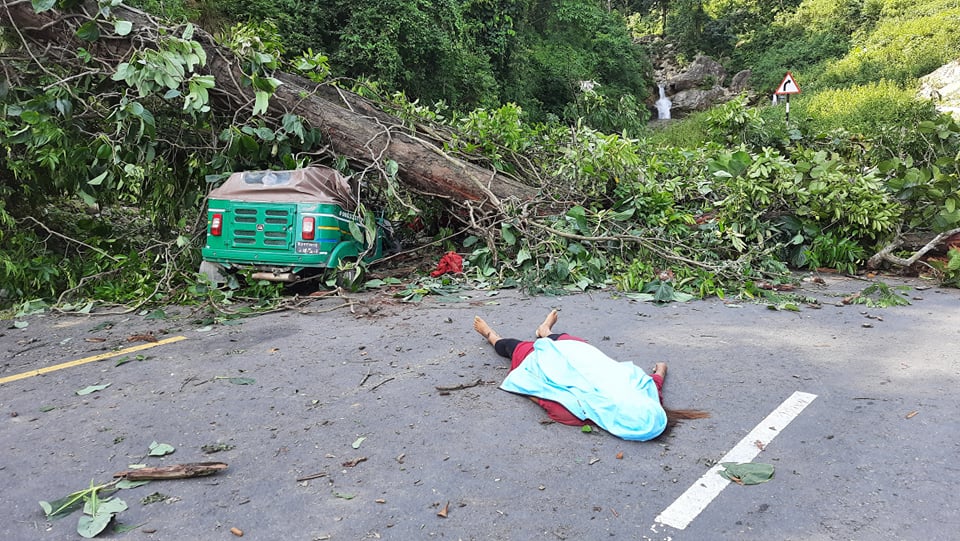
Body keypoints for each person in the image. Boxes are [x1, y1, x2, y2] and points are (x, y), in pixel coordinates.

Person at [474, 310, 708, 441]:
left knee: (515, 347)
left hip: (573, 356)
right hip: (579, 357)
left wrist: (660, 367)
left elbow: (655, 380)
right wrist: (661, 369)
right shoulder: (640, 400)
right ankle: (544, 331)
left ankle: (491, 335)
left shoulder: (582, 413)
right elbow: (539, 397)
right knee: (529, 347)